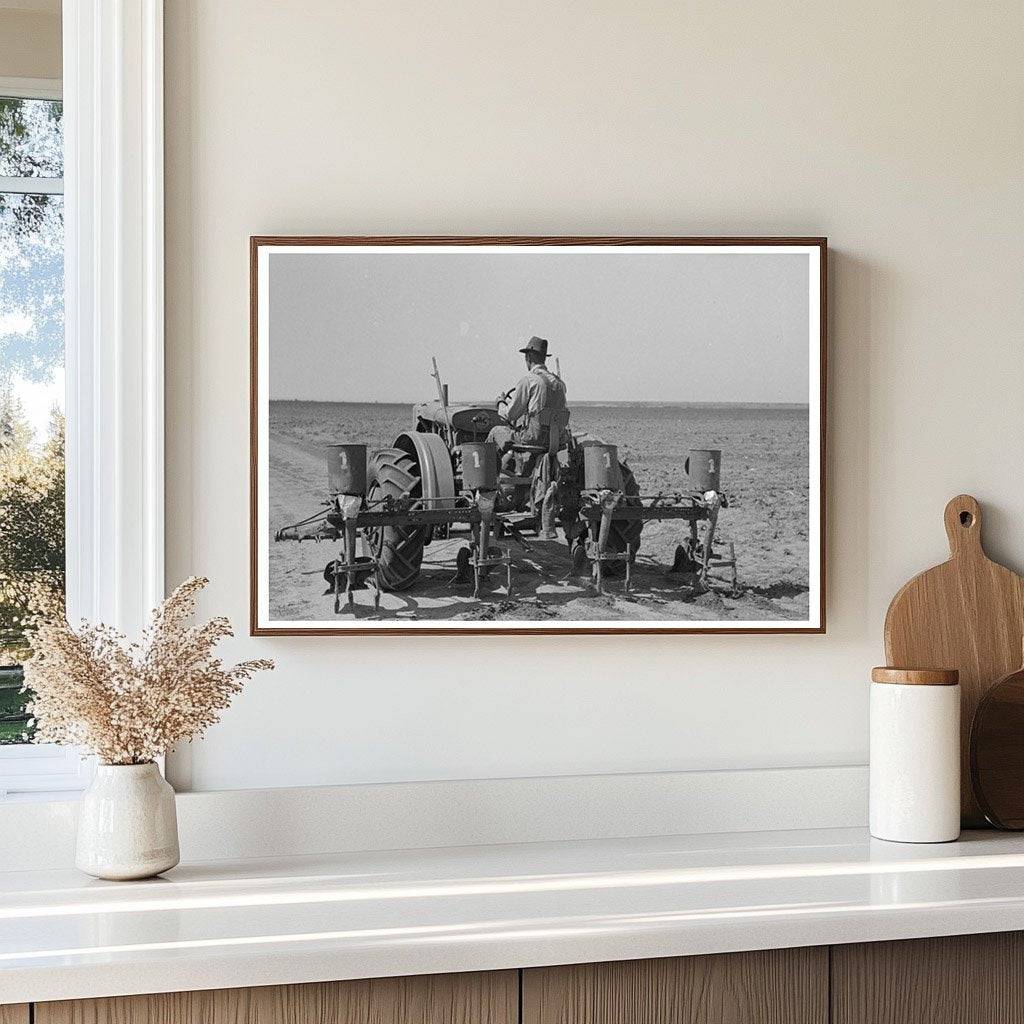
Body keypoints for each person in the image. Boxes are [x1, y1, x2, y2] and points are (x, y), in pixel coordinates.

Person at [490, 336, 568, 465]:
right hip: (557, 439)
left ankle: (490, 477)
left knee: (495, 432)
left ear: (529, 357)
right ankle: (526, 475)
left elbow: (510, 415)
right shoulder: (560, 383)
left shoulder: (529, 380)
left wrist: (501, 404)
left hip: (534, 439)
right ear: (543, 358)